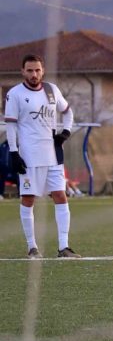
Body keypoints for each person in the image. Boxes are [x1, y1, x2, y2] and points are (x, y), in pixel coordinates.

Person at [5, 54, 78, 258]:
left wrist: (66, 132)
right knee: (28, 199)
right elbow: (10, 126)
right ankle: (32, 247)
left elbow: (68, 112)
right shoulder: (15, 94)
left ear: (43, 71)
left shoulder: (51, 90)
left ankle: (64, 247)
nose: (34, 74)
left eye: (37, 70)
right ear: (23, 71)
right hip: (29, 156)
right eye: (30, 70)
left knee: (60, 195)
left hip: (53, 154)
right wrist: (14, 152)